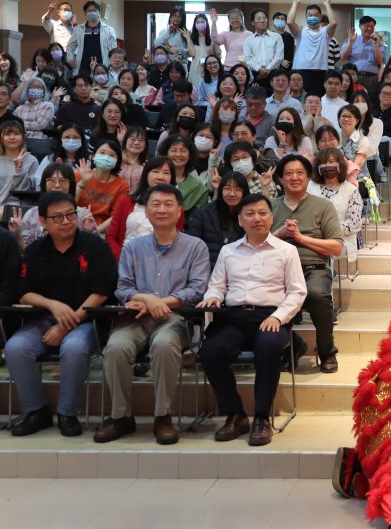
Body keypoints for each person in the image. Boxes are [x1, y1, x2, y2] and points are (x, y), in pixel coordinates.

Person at [94, 184, 210, 445]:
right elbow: (123, 288)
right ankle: (121, 416)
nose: (161, 210)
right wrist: (146, 299)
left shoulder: (196, 247)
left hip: (176, 318)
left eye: (168, 204)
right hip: (134, 318)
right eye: (155, 204)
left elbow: (197, 289)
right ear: (146, 212)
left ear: (180, 211)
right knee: (115, 347)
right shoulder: (133, 247)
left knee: (164, 344)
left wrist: (161, 303)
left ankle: (163, 416)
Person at [197, 193, 306, 446]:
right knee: (210, 351)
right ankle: (235, 414)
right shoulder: (228, 251)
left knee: (268, 346)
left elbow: (297, 291)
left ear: (271, 217)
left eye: (262, 213)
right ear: (240, 220)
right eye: (250, 214)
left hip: (269, 316)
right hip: (233, 317)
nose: (257, 218)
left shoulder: (287, 251)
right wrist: (213, 297)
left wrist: (278, 317)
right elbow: (216, 286)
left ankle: (260, 417)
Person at [6, 191, 116, 437]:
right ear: (43, 222)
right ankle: (37, 411)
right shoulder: (35, 250)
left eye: (70, 215)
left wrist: (67, 324)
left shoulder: (95, 246)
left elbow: (102, 291)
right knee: (15, 347)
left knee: (74, 348)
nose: (66, 221)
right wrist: (53, 305)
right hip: (44, 319)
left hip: (87, 319)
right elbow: (23, 293)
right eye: (57, 217)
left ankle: (67, 413)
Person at [271, 155, 343, 373]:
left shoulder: (323, 205)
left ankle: (327, 351)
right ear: (281, 179)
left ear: (308, 176)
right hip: (277, 270)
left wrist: (301, 239)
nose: (294, 177)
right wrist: (280, 234)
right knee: (264, 296)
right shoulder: (269, 206)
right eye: (289, 173)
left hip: (314, 268)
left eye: (300, 173)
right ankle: (289, 348)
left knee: (317, 294)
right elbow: (257, 244)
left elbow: (336, 247)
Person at [7, 163, 99, 250]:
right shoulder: (31, 214)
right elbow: (26, 252)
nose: (57, 185)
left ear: (71, 185)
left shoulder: (83, 215)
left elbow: (96, 250)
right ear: (44, 184)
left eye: (63, 181)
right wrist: (17, 235)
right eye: (51, 181)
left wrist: (89, 232)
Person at [105, 156, 179, 260]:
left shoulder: (176, 207)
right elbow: (111, 237)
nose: (160, 176)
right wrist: (123, 258)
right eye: (155, 171)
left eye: (166, 173)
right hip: (124, 260)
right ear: (146, 175)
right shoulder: (125, 201)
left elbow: (176, 242)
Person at [75, 138, 129, 231]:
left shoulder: (122, 185)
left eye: (111, 155)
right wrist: (83, 182)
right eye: (102, 153)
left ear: (117, 162)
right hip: (75, 225)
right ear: (93, 156)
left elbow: (116, 215)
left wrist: (97, 230)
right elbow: (69, 204)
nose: (106, 157)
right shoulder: (79, 176)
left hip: (102, 230)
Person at [65, 0, 118, 76]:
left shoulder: (109, 30)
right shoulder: (78, 29)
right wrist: (70, 58)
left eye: (95, 10)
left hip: (102, 67)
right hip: (82, 68)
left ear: (99, 12)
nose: (92, 12)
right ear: (85, 13)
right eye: (89, 11)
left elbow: (113, 50)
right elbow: (70, 46)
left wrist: (112, 65)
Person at [337, 13, 381, 92]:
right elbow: (343, 57)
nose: (369, 28)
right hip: (354, 76)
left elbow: (380, 61)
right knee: (352, 99)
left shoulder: (377, 42)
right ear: (360, 26)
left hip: (371, 78)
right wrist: (351, 42)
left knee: (370, 101)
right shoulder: (351, 40)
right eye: (367, 26)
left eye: (372, 27)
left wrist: (375, 44)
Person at [242, 9, 285, 86]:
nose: (262, 20)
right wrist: (259, 69)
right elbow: (247, 58)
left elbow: (279, 56)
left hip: (273, 74)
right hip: (256, 75)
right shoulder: (248, 40)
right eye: (258, 18)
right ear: (252, 22)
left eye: (264, 18)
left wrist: (268, 69)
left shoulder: (276, 37)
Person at [0, 119, 38, 204]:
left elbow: (27, 193)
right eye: (7, 134)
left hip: (19, 207)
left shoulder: (32, 161)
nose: (12, 137)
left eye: (16, 134)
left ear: (23, 137)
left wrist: (19, 170)